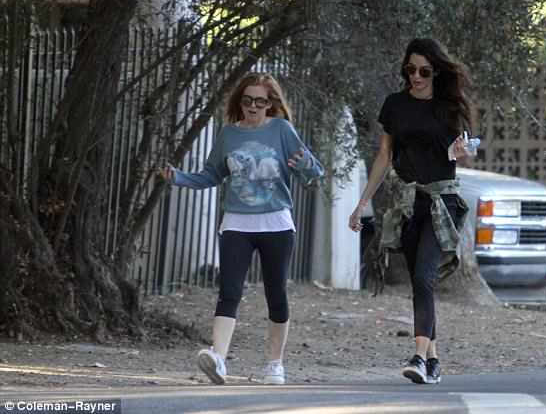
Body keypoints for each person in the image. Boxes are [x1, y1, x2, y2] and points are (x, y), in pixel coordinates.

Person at [158, 72, 324, 385]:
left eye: (260, 101)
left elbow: (314, 173)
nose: (253, 106)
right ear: (240, 101)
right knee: (229, 292)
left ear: (270, 103)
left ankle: (275, 364)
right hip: (236, 224)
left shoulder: (282, 129)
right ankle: (218, 359)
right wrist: (178, 177)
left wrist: (305, 166)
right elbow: (211, 175)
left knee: (276, 294)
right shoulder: (229, 134)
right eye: (247, 100)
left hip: (276, 223)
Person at [348, 38, 474, 384]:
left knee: (423, 277)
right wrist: (362, 203)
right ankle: (433, 361)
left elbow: (465, 154)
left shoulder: (451, 108)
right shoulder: (395, 105)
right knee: (420, 281)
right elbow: (384, 156)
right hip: (407, 203)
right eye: (410, 70)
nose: (416, 77)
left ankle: (418, 357)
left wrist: (463, 153)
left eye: (423, 71)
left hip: (440, 204)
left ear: (436, 71)